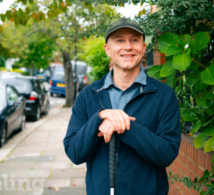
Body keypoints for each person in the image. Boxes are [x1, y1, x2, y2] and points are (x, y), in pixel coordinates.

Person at [63, 18, 181, 195]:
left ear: (143, 47)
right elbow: (75, 153)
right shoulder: (88, 95)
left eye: (134, 40)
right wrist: (99, 117)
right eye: (119, 40)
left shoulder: (164, 95)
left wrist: (125, 126)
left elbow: (166, 154)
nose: (128, 46)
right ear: (108, 50)